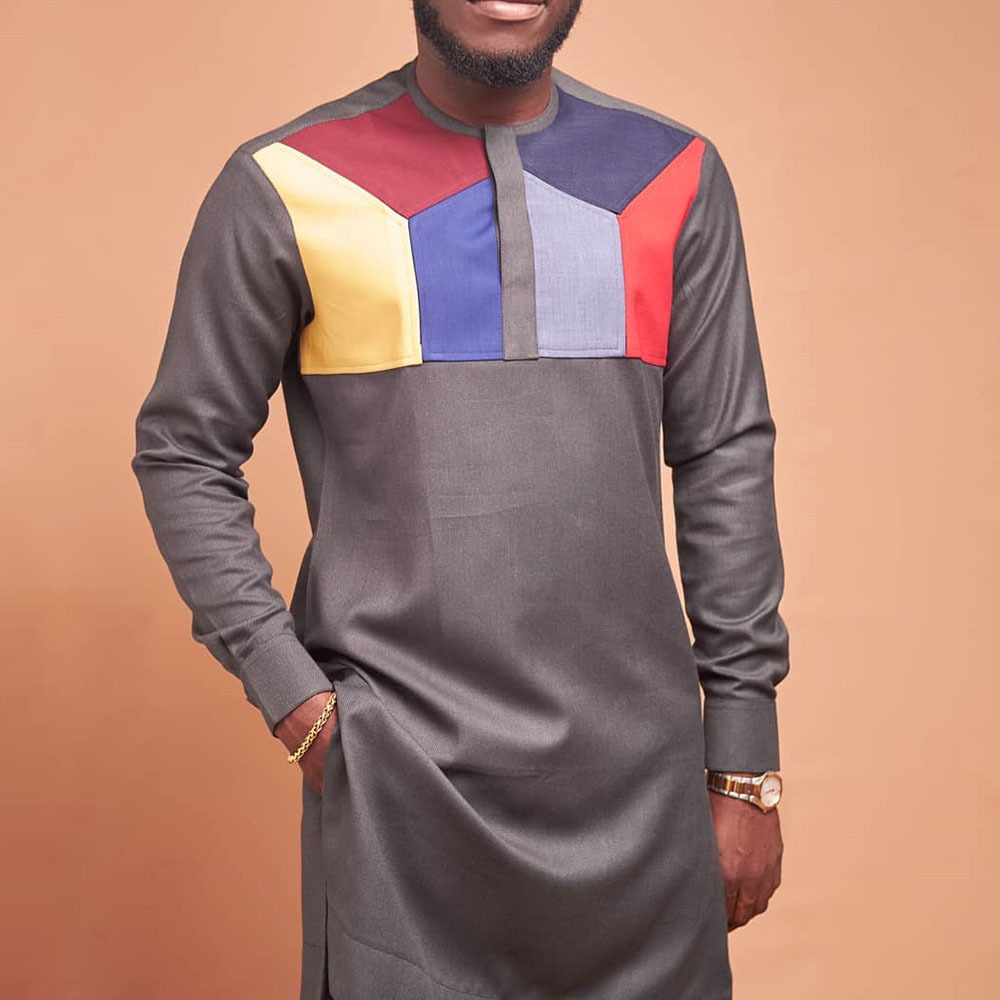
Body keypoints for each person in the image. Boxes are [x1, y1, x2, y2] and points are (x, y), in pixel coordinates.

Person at [130, 2, 789, 997]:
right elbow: (183, 450)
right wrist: (297, 704)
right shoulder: (287, 182)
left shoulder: (674, 177)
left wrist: (744, 764)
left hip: (645, 808)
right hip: (399, 794)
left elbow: (723, 455)